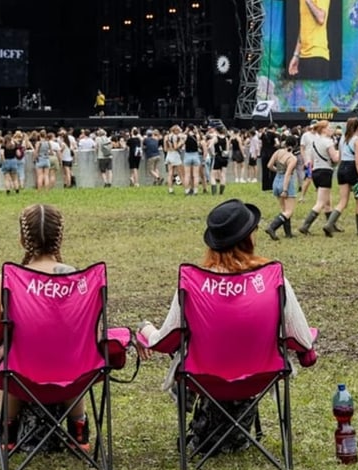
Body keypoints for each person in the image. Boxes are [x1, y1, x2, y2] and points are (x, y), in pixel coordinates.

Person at [136, 199, 316, 450]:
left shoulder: (192, 286)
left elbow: (166, 341)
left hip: (203, 379)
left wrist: (144, 329)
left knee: (186, 345)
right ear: (250, 238)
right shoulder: (275, 282)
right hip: (260, 376)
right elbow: (303, 340)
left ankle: (200, 412)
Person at [0, 204, 90, 451]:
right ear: (60, 239)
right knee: (70, 356)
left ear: (22, 240)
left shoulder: (8, 280)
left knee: (12, 360)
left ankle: (8, 433)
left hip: (23, 378)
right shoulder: (78, 280)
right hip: (74, 378)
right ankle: (79, 429)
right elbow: (90, 335)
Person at [323, 117, 358, 236]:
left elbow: (339, 157)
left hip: (342, 168)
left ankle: (329, 224)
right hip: (352, 168)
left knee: (343, 200)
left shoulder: (342, 139)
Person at [298, 120, 341, 234]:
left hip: (316, 171)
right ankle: (305, 226)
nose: (331, 129)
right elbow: (335, 158)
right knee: (321, 202)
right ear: (323, 129)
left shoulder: (314, 142)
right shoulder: (328, 142)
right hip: (325, 171)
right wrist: (341, 152)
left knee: (327, 201)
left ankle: (331, 224)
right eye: (329, 127)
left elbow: (310, 159)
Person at [265, 136, 299, 240]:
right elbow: (288, 174)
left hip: (276, 181)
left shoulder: (278, 152)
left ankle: (288, 233)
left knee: (284, 209)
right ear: (295, 145)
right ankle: (272, 227)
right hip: (286, 183)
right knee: (289, 211)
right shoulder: (292, 158)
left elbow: (269, 165)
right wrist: (285, 189)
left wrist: (278, 171)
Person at [288, 0, 331, 79]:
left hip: (318, 55)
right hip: (303, 56)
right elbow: (303, 27)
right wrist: (296, 55)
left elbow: (321, 18)